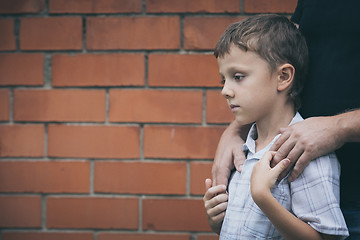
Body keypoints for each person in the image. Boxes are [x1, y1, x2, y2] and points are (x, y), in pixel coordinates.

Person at [208, 0, 360, 238]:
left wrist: (263, 198)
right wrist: (220, 220)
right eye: (223, 80)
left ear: (284, 77)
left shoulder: (306, 160)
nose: (225, 91)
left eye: (238, 77)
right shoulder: (246, 148)